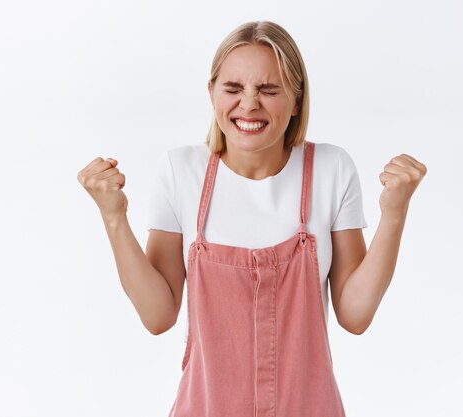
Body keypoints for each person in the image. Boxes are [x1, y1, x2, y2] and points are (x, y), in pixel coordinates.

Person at [77, 20, 426, 417]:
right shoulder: (180, 171)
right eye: (232, 88)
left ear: (296, 99)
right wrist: (113, 216)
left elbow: (355, 315)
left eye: (268, 90)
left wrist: (394, 212)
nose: (248, 104)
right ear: (211, 94)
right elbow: (158, 316)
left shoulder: (331, 169)